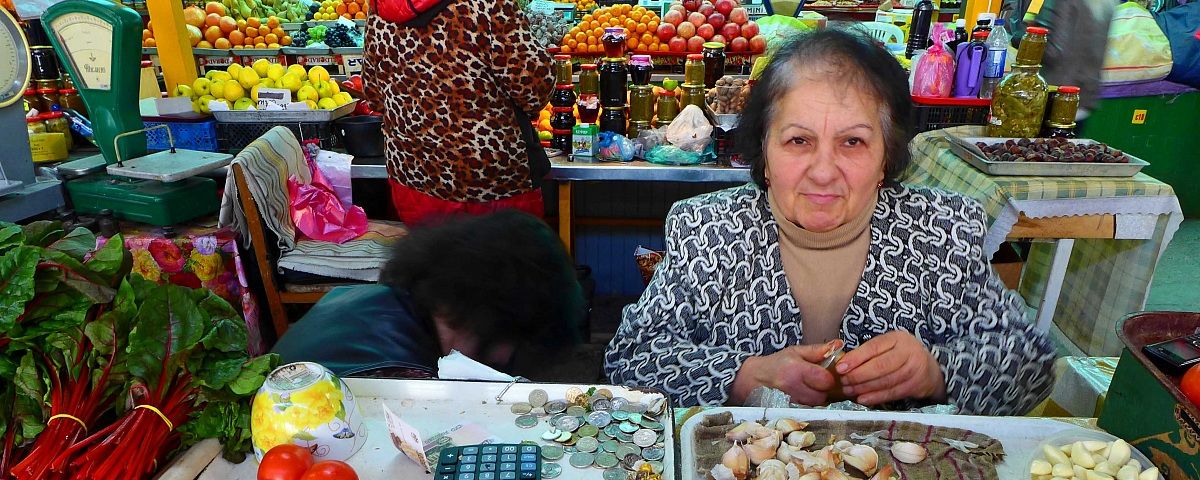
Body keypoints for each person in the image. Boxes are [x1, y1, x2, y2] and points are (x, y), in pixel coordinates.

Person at [604, 29, 1055, 416]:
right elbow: (630, 359)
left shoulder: (943, 229)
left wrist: (936, 371)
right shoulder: (707, 228)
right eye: (798, 140)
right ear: (764, 153)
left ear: (886, 157)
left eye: (853, 142)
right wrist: (743, 377)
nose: (823, 171)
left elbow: (1031, 362)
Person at [273, 211, 584, 378]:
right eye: (513, 351)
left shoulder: (363, 298)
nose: (504, 364)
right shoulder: (402, 378)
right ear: (490, 318)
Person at [362, 0, 552, 226]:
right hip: (491, 183)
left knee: (434, 260)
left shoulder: (379, 11)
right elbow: (535, 88)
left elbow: (373, 95)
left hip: (415, 180)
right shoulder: (488, 5)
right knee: (503, 260)